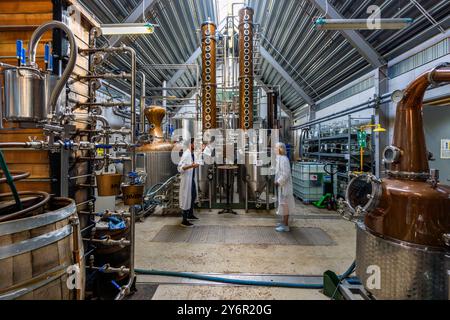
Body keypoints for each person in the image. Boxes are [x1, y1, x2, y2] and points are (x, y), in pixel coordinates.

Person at [178, 138, 200, 227]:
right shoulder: (186, 154)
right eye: (195, 144)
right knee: (186, 198)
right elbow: (180, 168)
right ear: (190, 144)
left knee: (193, 196)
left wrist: (195, 165)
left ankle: (190, 214)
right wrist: (192, 165)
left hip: (191, 179)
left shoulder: (192, 154)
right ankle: (184, 220)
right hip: (187, 180)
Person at [274, 142, 295, 232]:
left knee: (285, 205)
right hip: (282, 186)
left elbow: (285, 173)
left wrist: (278, 182)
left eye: (276, 148)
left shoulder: (283, 159)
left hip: (284, 187)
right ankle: (283, 222)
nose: (275, 149)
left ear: (280, 149)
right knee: (283, 204)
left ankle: (286, 226)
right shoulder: (280, 158)